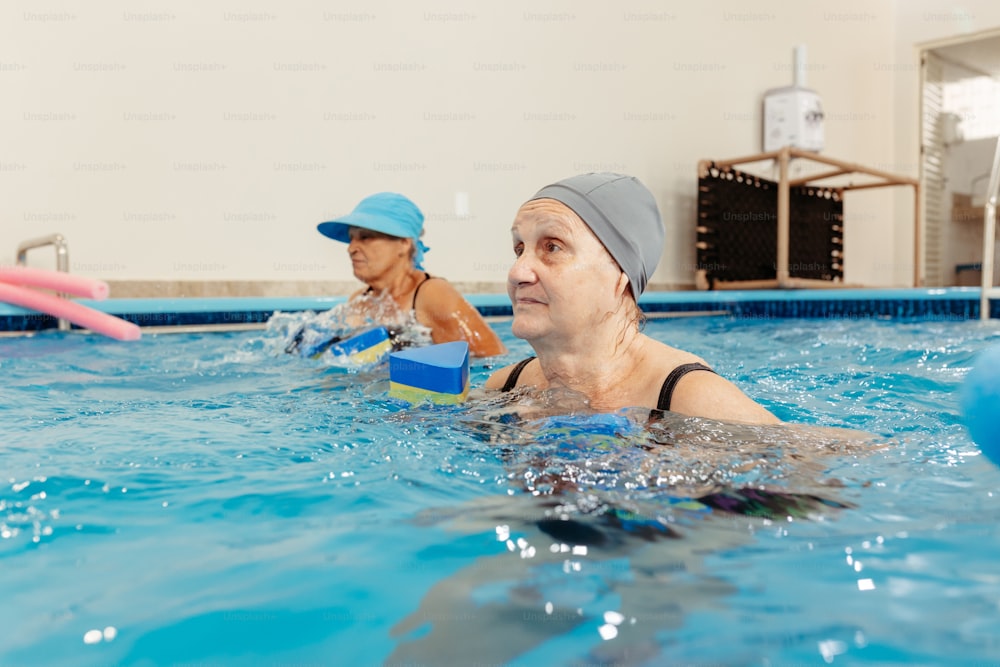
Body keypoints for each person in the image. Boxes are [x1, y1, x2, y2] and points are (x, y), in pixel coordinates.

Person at [484, 172, 779, 424]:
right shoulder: (506, 387)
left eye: (553, 247)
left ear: (620, 277)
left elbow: (812, 468)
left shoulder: (691, 398)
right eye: (520, 248)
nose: (518, 272)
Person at [315, 191, 506, 358]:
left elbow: (492, 362)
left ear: (404, 244)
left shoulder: (432, 294)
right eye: (351, 238)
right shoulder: (360, 300)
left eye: (365, 237)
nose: (351, 248)